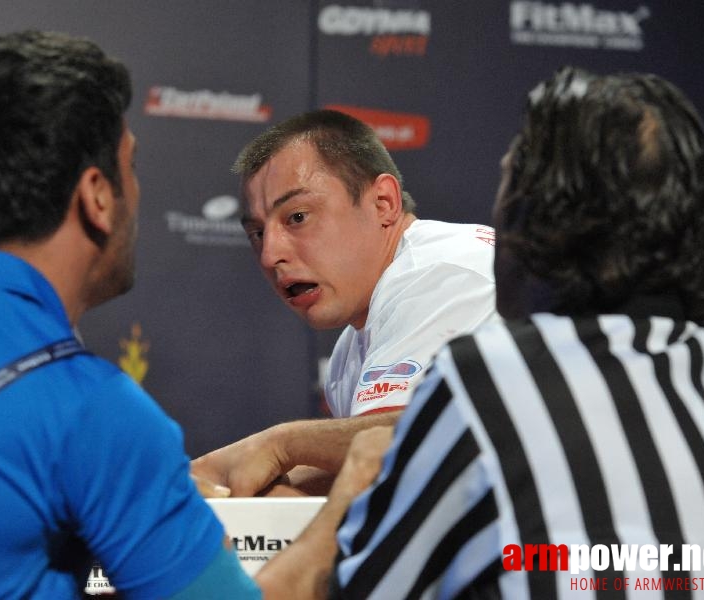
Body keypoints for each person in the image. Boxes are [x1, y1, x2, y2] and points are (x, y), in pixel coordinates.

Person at [0, 30, 260, 599]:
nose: (137, 192)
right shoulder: (95, 414)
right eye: (130, 165)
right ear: (98, 195)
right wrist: (353, 494)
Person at [320, 66, 704, 598]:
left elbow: (366, 590)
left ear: (535, 217)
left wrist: (357, 477)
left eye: (507, 180)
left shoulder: (487, 382)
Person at [192, 109, 498, 496]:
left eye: (297, 216)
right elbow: (373, 481)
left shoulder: (444, 271)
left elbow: (413, 443)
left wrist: (282, 445)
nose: (270, 254)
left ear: (383, 203)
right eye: (256, 232)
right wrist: (226, 493)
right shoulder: (347, 354)